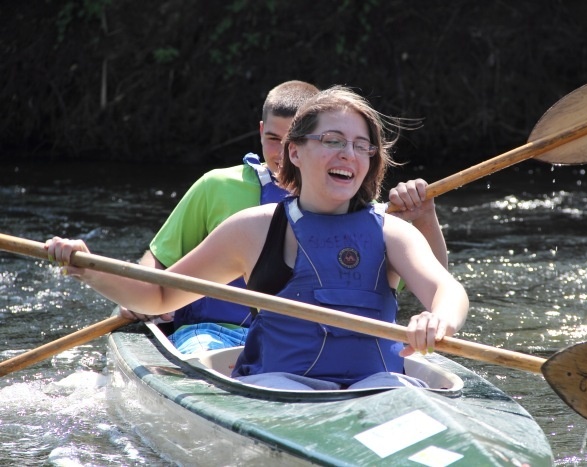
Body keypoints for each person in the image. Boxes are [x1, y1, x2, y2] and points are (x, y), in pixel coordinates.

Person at [46, 86, 468, 391]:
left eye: (362, 146)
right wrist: (87, 267)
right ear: (295, 152)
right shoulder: (253, 228)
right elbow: (157, 297)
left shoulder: (391, 230)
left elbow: (447, 290)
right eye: (333, 141)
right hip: (277, 390)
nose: (350, 155)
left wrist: (438, 319)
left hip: (379, 390)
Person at [123, 80, 448, 355]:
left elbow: (431, 283)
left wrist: (424, 217)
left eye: (291, 140)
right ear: (263, 132)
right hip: (214, 334)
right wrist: (139, 295)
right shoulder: (217, 188)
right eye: (273, 140)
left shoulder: (356, 207)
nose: (280, 154)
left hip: (307, 346)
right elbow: (161, 261)